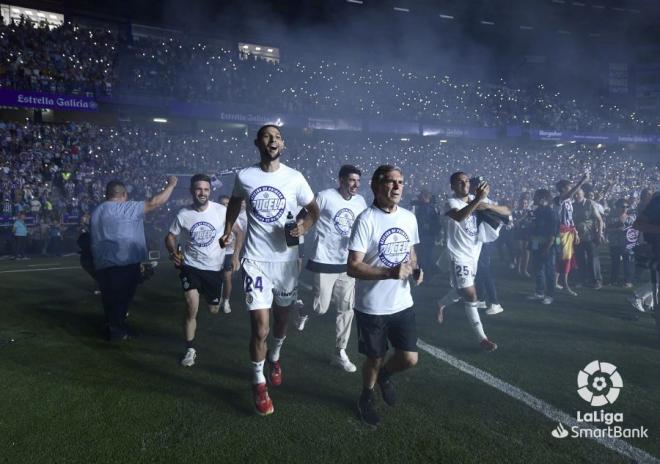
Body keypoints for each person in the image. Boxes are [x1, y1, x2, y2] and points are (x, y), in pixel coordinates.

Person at [220, 125, 320, 416]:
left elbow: (313, 211)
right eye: (267, 136)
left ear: (283, 145)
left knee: (281, 322)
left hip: (287, 263)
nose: (272, 140)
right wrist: (228, 229)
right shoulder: (245, 176)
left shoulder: (295, 177)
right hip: (255, 261)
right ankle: (258, 381)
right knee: (260, 328)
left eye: (277, 136)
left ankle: (275, 358)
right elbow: (235, 202)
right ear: (257, 143)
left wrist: (303, 227)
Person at [347, 165, 423, 428]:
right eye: (390, 182)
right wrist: (390, 272)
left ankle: (385, 377)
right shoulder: (366, 219)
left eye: (400, 182)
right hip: (372, 306)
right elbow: (353, 266)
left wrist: (415, 269)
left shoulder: (409, 217)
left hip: (402, 302)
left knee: (410, 358)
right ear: (376, 186)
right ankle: (366, 397)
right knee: (375, 358)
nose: (397, 187)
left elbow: (410, 253)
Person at [296, 164, 368, 373]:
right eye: (352, 180)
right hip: (324, 259)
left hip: (348, 262)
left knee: (346, 307)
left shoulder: (361, 201)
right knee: (320, 307)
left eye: (358, 181)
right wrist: (299, 228)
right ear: (341, 181)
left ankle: (340, 351)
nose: (355, 185)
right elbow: (304, 214)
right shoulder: (325, 196)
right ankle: (303, 309)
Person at [91, 176, 177, 341]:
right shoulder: (126, 208)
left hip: (103, 265)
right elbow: (155, 202)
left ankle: (116, 327)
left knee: (110, 299)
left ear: (106, 194)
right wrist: (171, 185)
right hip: (123, 264)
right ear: (124, 194)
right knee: (122, 299)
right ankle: (117, 331)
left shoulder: (97, 211)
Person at [436, 172, 508, 351]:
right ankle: (482, 338)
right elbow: (460, 216)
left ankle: (440, 304)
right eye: (459, 182)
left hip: (473, 254)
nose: (464, 184)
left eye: (466, 181)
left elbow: (507, 211)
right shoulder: (451, 202)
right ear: (452, 186)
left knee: (462, 292)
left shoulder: (476, 200)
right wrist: (477, 201)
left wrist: (486, 206)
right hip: (458, 255)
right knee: (471, 294)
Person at [165, 174, 229, 367]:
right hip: (190, 266)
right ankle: (190, 349)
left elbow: (238, 231)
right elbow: (170, 236)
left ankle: (209, 302)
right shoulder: (183, 214)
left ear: (210, 191)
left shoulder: (221, 211)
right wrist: (173, 251)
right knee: (191, 304)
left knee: (213, 309)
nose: (203, 193)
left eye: (206, 189)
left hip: (214, 268)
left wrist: (233, 254)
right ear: (192, 191)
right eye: (199, 189)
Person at [553, 173, 589, 296]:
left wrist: (576, 233)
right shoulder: (559, 199)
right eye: (570, 187)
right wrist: (582, 181)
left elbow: (570, 219)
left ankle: (556, 282)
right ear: (563, 189)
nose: (572, 189)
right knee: (564, 258)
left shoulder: (568, 202)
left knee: (564, 257)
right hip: (560, 234)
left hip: (568, 233)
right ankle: (565, 285)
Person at [527, 189, 559, 304]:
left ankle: (550, 295)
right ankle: (539, 292)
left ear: (542, 198)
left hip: (547, 244)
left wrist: (547, 248)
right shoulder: (537, 211)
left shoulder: (551, 212)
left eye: (535, 197)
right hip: (536, 242)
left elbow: (552, 233)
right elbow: (534, 230)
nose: (533, 199)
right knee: (538, 268)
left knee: (549, 269)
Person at [217, 195, 247, 314]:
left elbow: (240, 234)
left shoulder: (234, 218)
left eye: (227, 204)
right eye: (223, 204)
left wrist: (236, 253)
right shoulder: (214, 216)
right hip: (216, 253)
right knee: (218, 277)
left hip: (229, 252)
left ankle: (226, 301)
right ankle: (218, 299)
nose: (225, 206)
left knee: (227, 277)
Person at [572, 187, 604, 289]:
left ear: (583, 194)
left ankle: (596, 280)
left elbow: (599, 220)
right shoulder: (573, 206)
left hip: (590, 236)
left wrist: (599, 232)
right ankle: (582, 279)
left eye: (578, 194)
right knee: (580, 259)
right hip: (578, 237)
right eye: (575, 194)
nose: (576, 196)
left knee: (593, 259)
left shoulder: (590, 204)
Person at [606, 198, 635, 287]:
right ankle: (613, 280)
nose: (625, 208)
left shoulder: (631, 218)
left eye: (627, 206)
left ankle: (628, 281)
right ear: (617, 207)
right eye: (622, 206)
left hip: (627, 243)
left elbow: (635, 230)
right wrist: (616, 229)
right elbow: (606, 229)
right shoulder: (611, 218)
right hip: (615, 243)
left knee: (627, 262)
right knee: (615, 262)